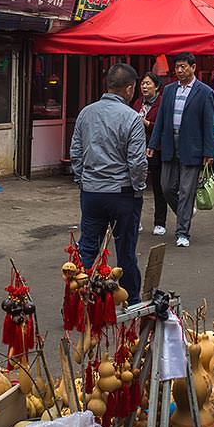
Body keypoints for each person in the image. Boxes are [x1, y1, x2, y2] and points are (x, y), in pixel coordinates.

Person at [70, 63, 147, 297]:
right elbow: (137, 162)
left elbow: (75, 151)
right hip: (122, 193)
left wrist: (82, 179)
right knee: (125, 252)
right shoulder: (132, 118)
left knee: (87, 248)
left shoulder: (86, 113)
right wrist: (138, 188)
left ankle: (77, 299)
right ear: (130, 89)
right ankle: (131, 301)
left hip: (92, 192)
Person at [149, 51, 214, 248]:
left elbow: (208, 125)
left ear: (193, 67)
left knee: (187, 191)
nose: (179, 71)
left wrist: (209, 152)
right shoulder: (169, 91)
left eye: (183, 67)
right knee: (166, 186)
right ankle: (185, 212)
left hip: (192, 147)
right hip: (170, 144)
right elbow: (161, 119)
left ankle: (182, 232)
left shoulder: (205, 92)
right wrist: (153, 144)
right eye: (177, 67)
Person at [132, 72, 170, 235]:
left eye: (148, 84)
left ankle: (160, 222)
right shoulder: (138, 102)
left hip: (157, 149)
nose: (144, 87)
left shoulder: (163, 103)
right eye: (142, 84)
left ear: (157, 86)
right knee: (136, 185)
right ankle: (135, 220)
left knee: (158, 186)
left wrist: (147, 123)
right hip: (138, 148)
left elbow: (165, 127)